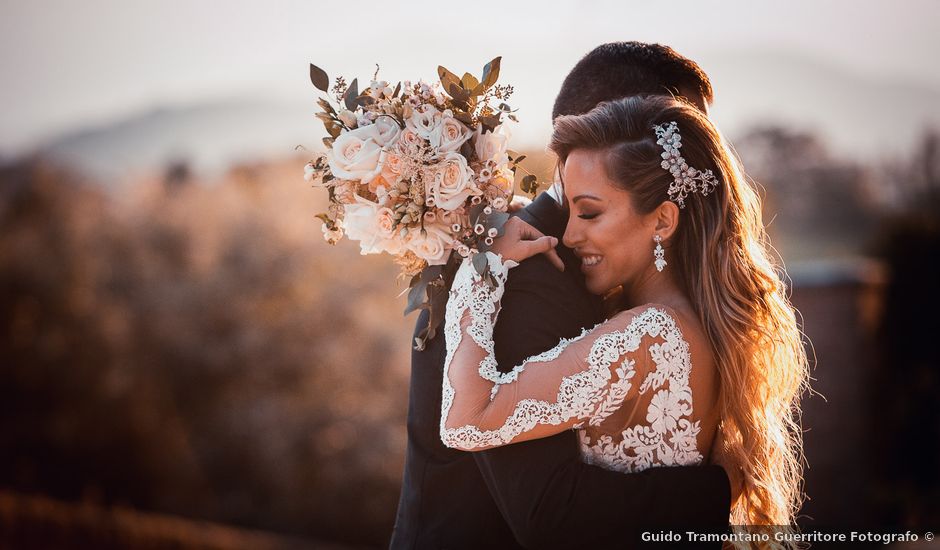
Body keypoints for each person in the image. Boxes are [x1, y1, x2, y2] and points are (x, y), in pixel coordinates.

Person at [391, 43, 735, 549]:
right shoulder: (528, 272)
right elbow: (552, 512)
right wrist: (714, 494)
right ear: (619, 123)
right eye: (676, 130)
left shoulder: (638, 295)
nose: (692, 164)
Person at [440, 95, 809, 538]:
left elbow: (467, 422)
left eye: (590, 212)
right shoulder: (699, 328)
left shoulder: (650, 336)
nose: (571, 235)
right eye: (571, 210)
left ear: (663, 221)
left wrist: (481, 270)